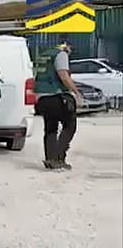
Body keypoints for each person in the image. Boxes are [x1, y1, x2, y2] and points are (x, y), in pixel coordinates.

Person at [34, 41, 82, 170]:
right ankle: (58, 157)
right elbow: (63, 76)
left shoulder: (43, 55)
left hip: (41, 98)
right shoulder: (60, 55)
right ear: (65, 45)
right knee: (70, 125)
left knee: (50, 128)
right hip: (56, 95)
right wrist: (76, 92)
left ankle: (50, 159)